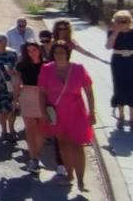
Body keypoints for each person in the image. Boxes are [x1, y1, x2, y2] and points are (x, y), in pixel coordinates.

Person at [39, 41, 96, 192]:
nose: (59, 55)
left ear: (67, 53)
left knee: (77, 145)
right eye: (56, 52)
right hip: (56, 113)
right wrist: (43, 112)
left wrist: (92, 112)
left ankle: (81, 180)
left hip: (76, 112)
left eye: (62, 52)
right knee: (63, 144)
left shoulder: (78, 69)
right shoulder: (46, 69)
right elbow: (42, 93)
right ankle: (69, 175)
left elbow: (89, 92)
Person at [14, 42, 46, 173]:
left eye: (34, 49)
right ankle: (33, 158)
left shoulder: (47, 65)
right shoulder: (22, 66)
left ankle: (36, 154)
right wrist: (15, 99)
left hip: (44, 95)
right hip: (27, 94)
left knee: (42, 129)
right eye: (29, 50)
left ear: (39, 50)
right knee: (30, 128)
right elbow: (17, 83)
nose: (32, 52)